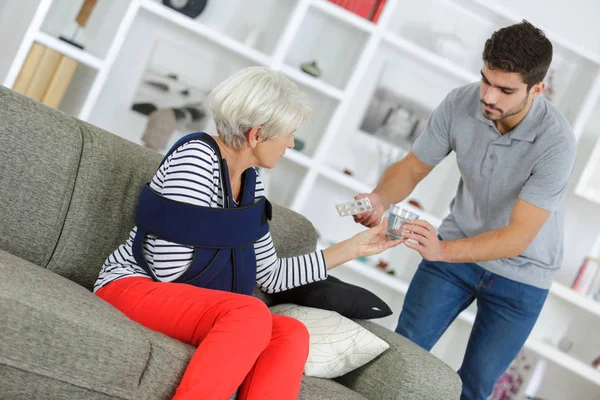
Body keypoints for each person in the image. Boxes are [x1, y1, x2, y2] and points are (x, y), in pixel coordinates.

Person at [94, 66, 403, 400]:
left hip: (185, 300)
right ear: (256, 135)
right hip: (132, 286)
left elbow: (269, 276)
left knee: (290, 332)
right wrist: (231, 299)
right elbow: (168, 268)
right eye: (288, 133)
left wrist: (355, 248)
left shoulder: (252, 185)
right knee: (249, 313)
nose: (290, 144)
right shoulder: (196, 157)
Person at [354, 20, 577, 400]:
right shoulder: (460, 102)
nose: (488, 96)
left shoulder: (556, 142)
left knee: (473, 386)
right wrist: (380, 198)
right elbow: (411, 167)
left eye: (505, 90)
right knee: (401, 356)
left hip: (523, 275)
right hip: (456, 252)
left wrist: (441, 250)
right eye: (486, 80)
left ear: (537, 89)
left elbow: (517, 236)